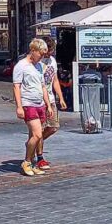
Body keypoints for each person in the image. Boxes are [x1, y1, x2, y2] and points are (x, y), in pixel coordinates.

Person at [12, 39, 53, 178]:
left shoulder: (40, 66)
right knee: (37, 135)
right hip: (28, 103)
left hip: (39, 103)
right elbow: (16, 86)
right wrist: (19, 107)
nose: (41, 57)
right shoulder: (21, 66)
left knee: (34, 135)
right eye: (40, 54)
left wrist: (48, 104)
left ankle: (32, 163)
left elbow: (43, 86)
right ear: (33, 51)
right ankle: (27, 162)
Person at [35, 39, 66, 171]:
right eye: (47, 51)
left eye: (51, 51)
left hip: (51, 99)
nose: (49, 53)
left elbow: (55, 80)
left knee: (53, 127)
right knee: (39, 129)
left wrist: (61, 97)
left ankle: (34, 142)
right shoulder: (35, 62)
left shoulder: (52, 61)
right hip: (39, 100)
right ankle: (40, 158)